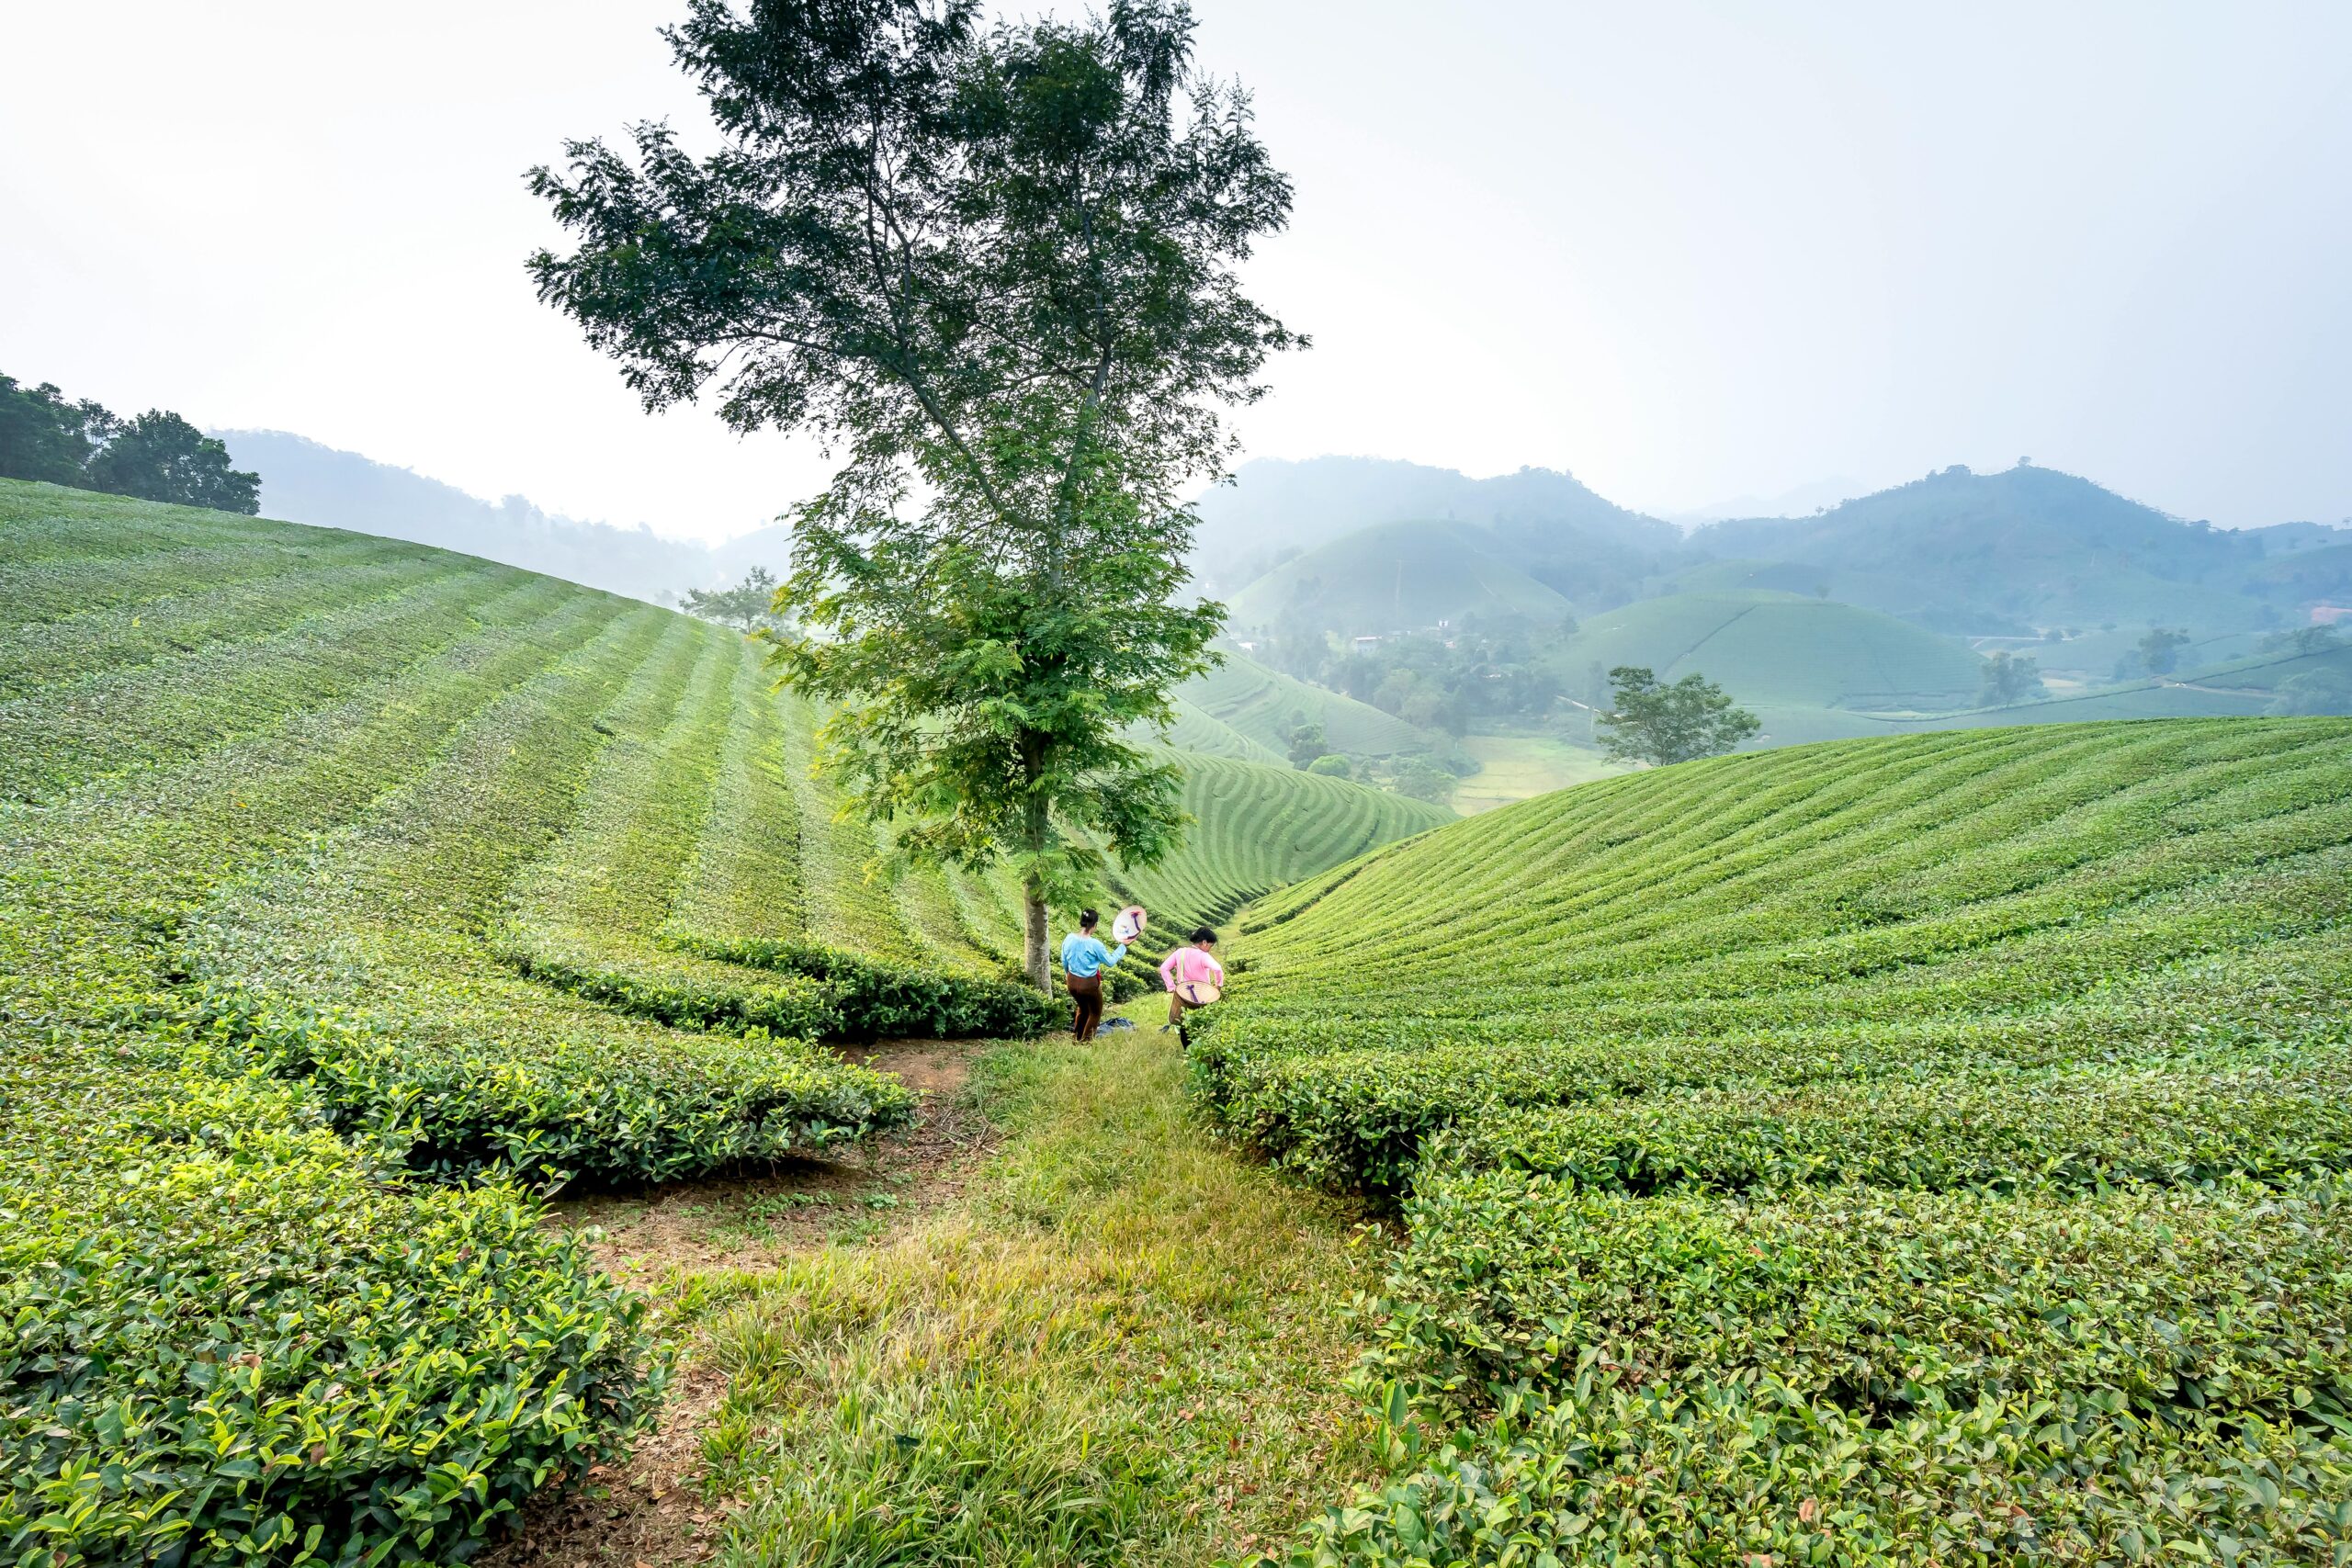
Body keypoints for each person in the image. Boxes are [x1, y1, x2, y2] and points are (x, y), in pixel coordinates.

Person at [1058, 908, 1125, 1042]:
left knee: (1082, 1008)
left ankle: (1076, 1038)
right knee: (1095, 1012)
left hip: (1071, 981)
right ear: (1095, 925)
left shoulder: (1069, 938)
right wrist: (1123, 947)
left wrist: (1068, 976)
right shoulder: (1095, 944)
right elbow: (1110, 962)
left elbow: (1064, 961)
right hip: (1088, 984)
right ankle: (1086, 1042)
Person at [1159, 927, 1225, 1042]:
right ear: (1204, 942)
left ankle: (1187, 1048)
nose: (1209, 949)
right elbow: (1218, 969)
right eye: (1210, 945)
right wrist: (1218, 986)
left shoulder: (1180, 952)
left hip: (1183, 993)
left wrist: (1171, 987)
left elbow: (1164, 968)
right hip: (1201, 994)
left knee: (1183, 1020)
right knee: (1201, 1021)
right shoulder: (1203, 955)